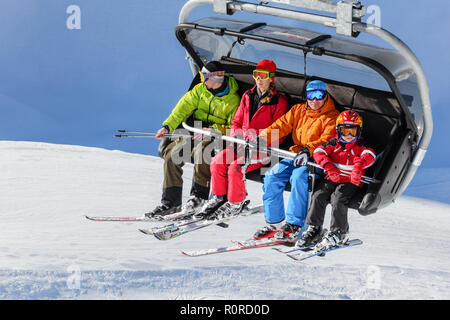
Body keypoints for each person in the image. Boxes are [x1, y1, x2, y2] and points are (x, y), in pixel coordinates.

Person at [194, 59, 289, 219]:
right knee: (217, 161)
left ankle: (235, 202)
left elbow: (281, 130)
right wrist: (236, 138)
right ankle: (219, 198)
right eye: (256, 75)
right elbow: (237, 121)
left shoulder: (279, 101)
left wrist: (260, 141)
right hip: (240, 145)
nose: (259, 79)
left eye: (263, 75)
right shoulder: (248, 95)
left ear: (271, 78)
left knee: (236, 167)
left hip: (262, 150)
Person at [146, 61, 240, 218]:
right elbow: (182, 108)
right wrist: (167, 126)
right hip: (196, 129)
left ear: (217, 78)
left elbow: (233, 126)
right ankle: (171, 202)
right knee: (172, 153)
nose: (202, 79)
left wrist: (213, 130)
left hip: (216, 135)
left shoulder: (233, 100)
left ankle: (198, 197)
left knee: (202, 151)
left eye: (205, 76)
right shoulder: (200, 90)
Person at [253, 80, 340, 240]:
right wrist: (262, 138)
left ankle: (294, 225)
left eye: (319, 95)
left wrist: (309, 150)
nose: (315, 100)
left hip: (316, 159)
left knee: (299, 177)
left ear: (326, 96)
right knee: (272, 176)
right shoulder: (298, 110)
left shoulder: (332, 117)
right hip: (296, 155)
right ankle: (275, 224)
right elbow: (281, 125)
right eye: (311, 95)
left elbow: (327, 140)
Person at [296, 110, 376, 250]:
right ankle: (314, 229)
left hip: (351, 180)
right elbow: (318, 152)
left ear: (359, 131)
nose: (349, 136)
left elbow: (369, 155)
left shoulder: (361, 145)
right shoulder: (334, 142)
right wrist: (328, 166)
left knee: (337, 199)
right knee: (318, 195)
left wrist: (359, 165)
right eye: (345, 131)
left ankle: (339, 232)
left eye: (353, 131)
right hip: (334, 176)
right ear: (339, 131)